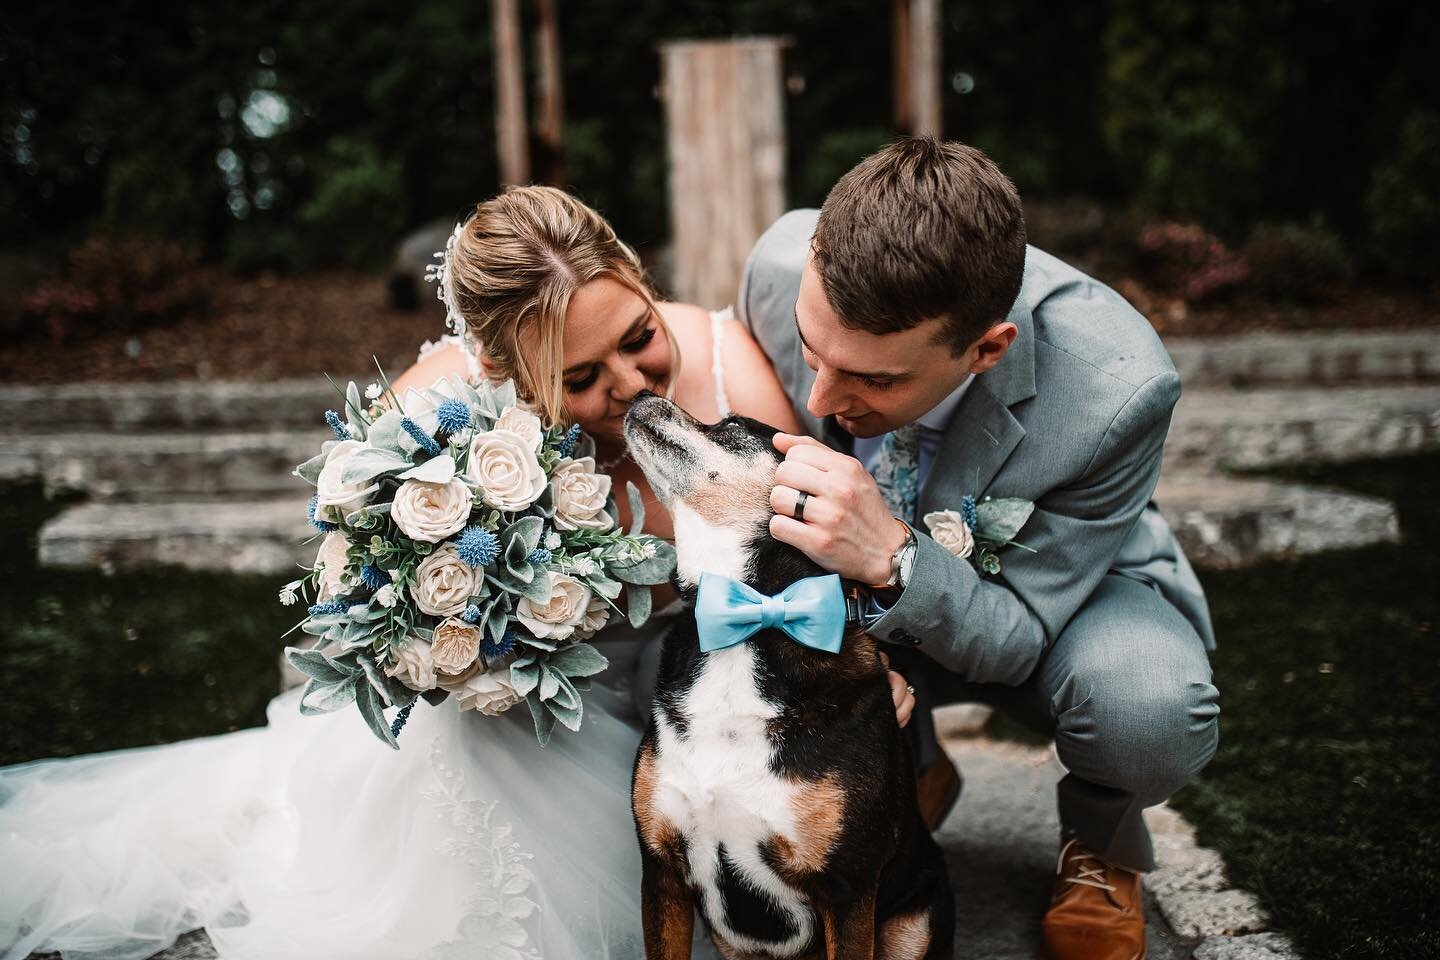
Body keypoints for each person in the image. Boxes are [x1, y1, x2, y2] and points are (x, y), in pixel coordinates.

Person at [0, 185, 916, 960]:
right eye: (581, 376)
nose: (634, 386)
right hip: (544, 727)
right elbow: (355, 598)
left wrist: (861, 655)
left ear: (641, 275)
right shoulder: (441, 428)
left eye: (638, 335)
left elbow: (810, 555)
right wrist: (457, 643)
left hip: (710, 699)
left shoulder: (727, 381)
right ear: (500, 368)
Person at [738, 137, 1221, 960]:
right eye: (813, 352)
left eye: (875, 380)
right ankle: (911, 769)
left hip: (1055, 590)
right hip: (846, 587)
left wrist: (893, 558)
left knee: (1150, 713)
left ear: (987, 348)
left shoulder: (1117, 384)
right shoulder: (778, 266)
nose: (822, 398)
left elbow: (1021, 632)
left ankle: (1101, 849)